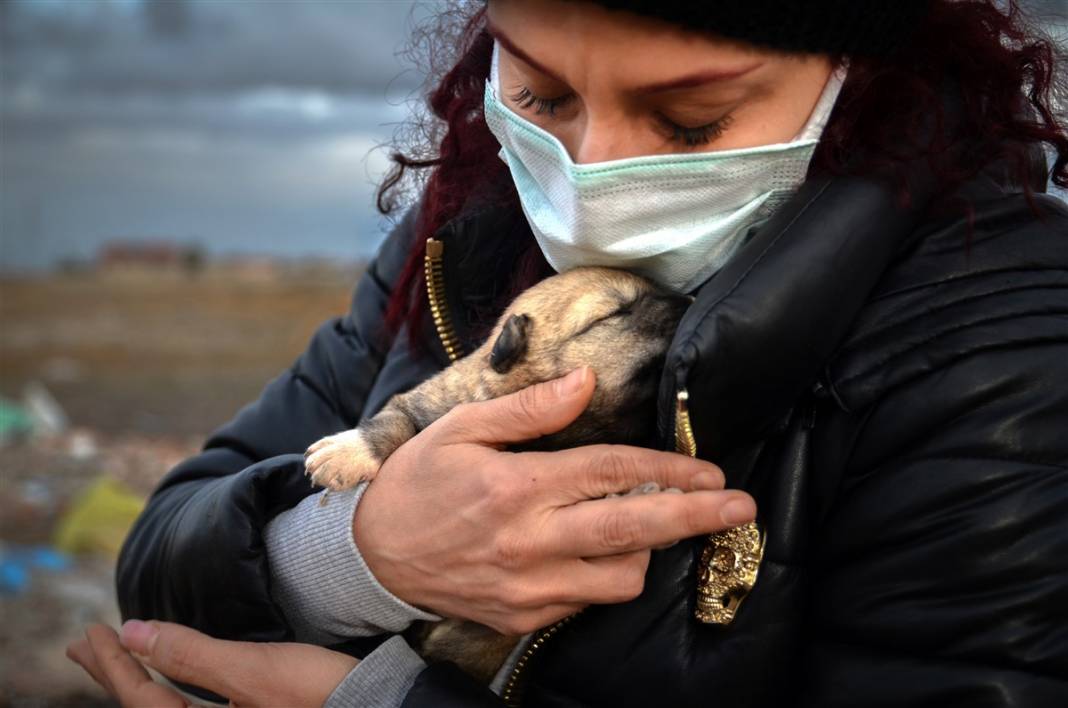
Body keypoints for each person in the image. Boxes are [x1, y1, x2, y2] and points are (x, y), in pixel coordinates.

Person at [70, 0, 1068, 705]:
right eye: (542, 97)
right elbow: (163, 557)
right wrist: (358, 551)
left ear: (859, 80)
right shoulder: (469, 239)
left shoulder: (1002, 342)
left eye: (691, 121)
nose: (592, 180)